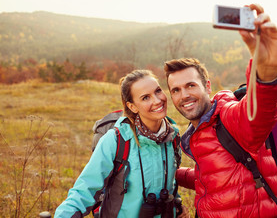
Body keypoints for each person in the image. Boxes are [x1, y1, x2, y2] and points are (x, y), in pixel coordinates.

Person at [164, 4, 277, 218]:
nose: (183, 95)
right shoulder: (198, 131)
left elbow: (261, 111)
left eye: (191, 86)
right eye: (176, 90)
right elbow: (215, 173)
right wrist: (170, 175)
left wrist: (267, 71)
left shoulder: (230, 117)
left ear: (208, 87)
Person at [55, 70, 189, 217]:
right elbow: (85, 189)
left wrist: (176, 204)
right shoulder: (116, 141)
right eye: (145, 98)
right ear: (132, 107)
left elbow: (169, 182)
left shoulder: (173, 137)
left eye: (158, 91)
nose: (157, 100)